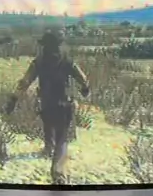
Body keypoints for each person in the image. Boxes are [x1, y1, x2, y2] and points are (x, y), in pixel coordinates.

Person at [5, 29, 90, 184]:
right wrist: (85, 89)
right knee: (62, 138)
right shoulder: (67, 60)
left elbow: (24, 82)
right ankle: (58, 171)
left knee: (48, 125)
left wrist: (14, 99)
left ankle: (48, 150)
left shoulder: (38, 62)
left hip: (47, 102)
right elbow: (82, 78)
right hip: (65, 103)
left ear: (44, 45)